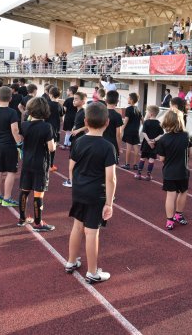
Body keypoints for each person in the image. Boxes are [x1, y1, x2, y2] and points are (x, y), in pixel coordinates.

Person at [65, 103, 116, 283]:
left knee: (77, 226)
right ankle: (92, 272)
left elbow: (71, 167)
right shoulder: (108, 147)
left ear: (85, 121)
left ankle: (71, 261)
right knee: (92, 232)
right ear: (107, 123)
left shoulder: (78, 141)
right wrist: (109, 202)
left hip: (79, 191)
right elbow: (111, 178)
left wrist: (75, 184)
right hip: (96, 194)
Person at [17, 97, 56, 231]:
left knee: (24, 190)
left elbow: (21, 139)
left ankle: (22, 219)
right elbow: (51, 148)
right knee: (38, 193)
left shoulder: (24, 125)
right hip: (41, 163)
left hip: (27, 162)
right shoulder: (47, 127)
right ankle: (38, 223)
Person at [156, 110, 192, 230]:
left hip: (169, 172)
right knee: (183, 193)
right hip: (183, 170)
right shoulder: (187, 135)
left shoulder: (163, 139)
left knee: (170, 196)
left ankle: (169, 221)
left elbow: (162, 158)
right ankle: (178, 215)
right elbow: (191, 154)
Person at [0, 86, 22, 207]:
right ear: (10, 98)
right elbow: (15, 130)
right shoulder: (12, 112)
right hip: (10, 146)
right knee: (11, 172)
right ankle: (7, 198)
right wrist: (20, 144)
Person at [62, 91, 87, 187]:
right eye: (74, 99)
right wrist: (74, 129)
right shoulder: (78, 111)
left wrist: (77, 130)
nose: (74, 101)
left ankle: (71, 181)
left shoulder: (84, 112)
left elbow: (88, 125)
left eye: (76, 99)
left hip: (79, 139)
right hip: (75, 138)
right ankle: (72, 179)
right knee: (73, 160)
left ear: (83, 101)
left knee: (72, 160)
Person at [135, 105, 164, 181]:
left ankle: (139, 174)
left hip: (146, 144)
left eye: (147, 112)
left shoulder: (146, 122)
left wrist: (148, 141)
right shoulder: (159, 123)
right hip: (154, 145)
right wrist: (154, 140)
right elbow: (161, 134)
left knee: (142, 158)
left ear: (150, 114)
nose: (146, 113)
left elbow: (144, 132)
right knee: (151, 159)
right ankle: (148, 175)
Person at [120, 92, 142, 170]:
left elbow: (126, 121)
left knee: (128, 148)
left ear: (132, 100)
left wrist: (121, 130)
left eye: (128, 98)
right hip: (136, 131)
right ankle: (135, 165)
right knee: (136, 148)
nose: (127, 99)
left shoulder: (128, 109)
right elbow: (142, 121)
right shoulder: (138, 109)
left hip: (129, 131)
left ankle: (127, 164)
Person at [103, 90, 124, 164]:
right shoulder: (117, 116)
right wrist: (119, 147)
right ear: (117, 101)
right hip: (112, 144)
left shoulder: (100, 113)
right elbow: (118, 134)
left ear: (106, 100)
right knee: (111, 167)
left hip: (100, 142)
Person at [47, 87, 64, 171]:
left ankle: (45, 163)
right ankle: (51, 165)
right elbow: (61, 119)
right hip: (55, 129)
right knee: (53, 148)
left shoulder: (46, 104)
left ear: (50, 95)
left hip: (46, 127)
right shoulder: (60, 106)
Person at [61, 85, 78, 150]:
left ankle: (65, 144)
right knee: (72, 130)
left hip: (68, 117)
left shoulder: (67, 100)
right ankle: (69, 143)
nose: (66, 92)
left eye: (67, 90)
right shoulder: (76, 99)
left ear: (71, 92)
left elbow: (64, 110)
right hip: (75, 117)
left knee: (68, 131)